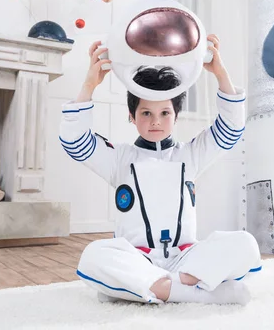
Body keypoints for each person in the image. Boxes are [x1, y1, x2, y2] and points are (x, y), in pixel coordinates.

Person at [59, 34, 261, 305]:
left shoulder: (189, 154)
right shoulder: (120, 158)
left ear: (176, 115)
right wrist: (89, 84)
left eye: (165, 113)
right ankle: (198, 294)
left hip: (187, 260)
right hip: (138, 260)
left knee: (245, 243)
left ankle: (163, 288)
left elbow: (231, 129)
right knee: (94, 255)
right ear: (131, 116)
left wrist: (220, 73)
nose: (156, 122)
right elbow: (75, 141)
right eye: (146, 113)